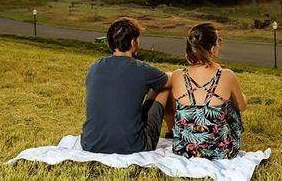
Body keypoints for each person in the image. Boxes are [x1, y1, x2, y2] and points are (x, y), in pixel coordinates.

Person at [81, 17, 175, 154]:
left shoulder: (95, 67)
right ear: (133, 42)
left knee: (154, 85)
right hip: (134, 146)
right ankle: (173, 132)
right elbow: (170, 80)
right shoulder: (141, 68)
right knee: (163, 87)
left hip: (91, 143)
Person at [170, 22, 247, 159]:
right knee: (230, 103)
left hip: (185, 149)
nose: (220, 44)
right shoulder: (227, 75)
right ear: (212, 48)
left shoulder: (177, 75)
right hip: (220, 150)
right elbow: (242, 106)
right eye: (218, 41)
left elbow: (176, 110)